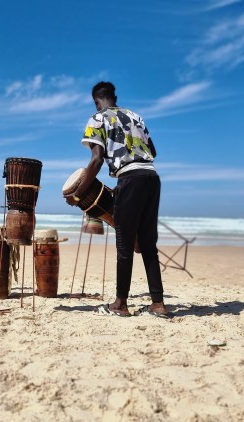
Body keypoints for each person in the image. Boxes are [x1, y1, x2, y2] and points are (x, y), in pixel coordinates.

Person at [64, 81, 169, 317]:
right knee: (148, 244)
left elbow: (96, 159)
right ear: (115, 97)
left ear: (96, 101)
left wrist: (78, 194)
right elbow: (153, 151)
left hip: (129, 178)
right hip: (151, 177)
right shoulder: (135, 116)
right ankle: (158, 304)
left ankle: (121, 304)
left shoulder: (97, 118)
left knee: (124, 244)